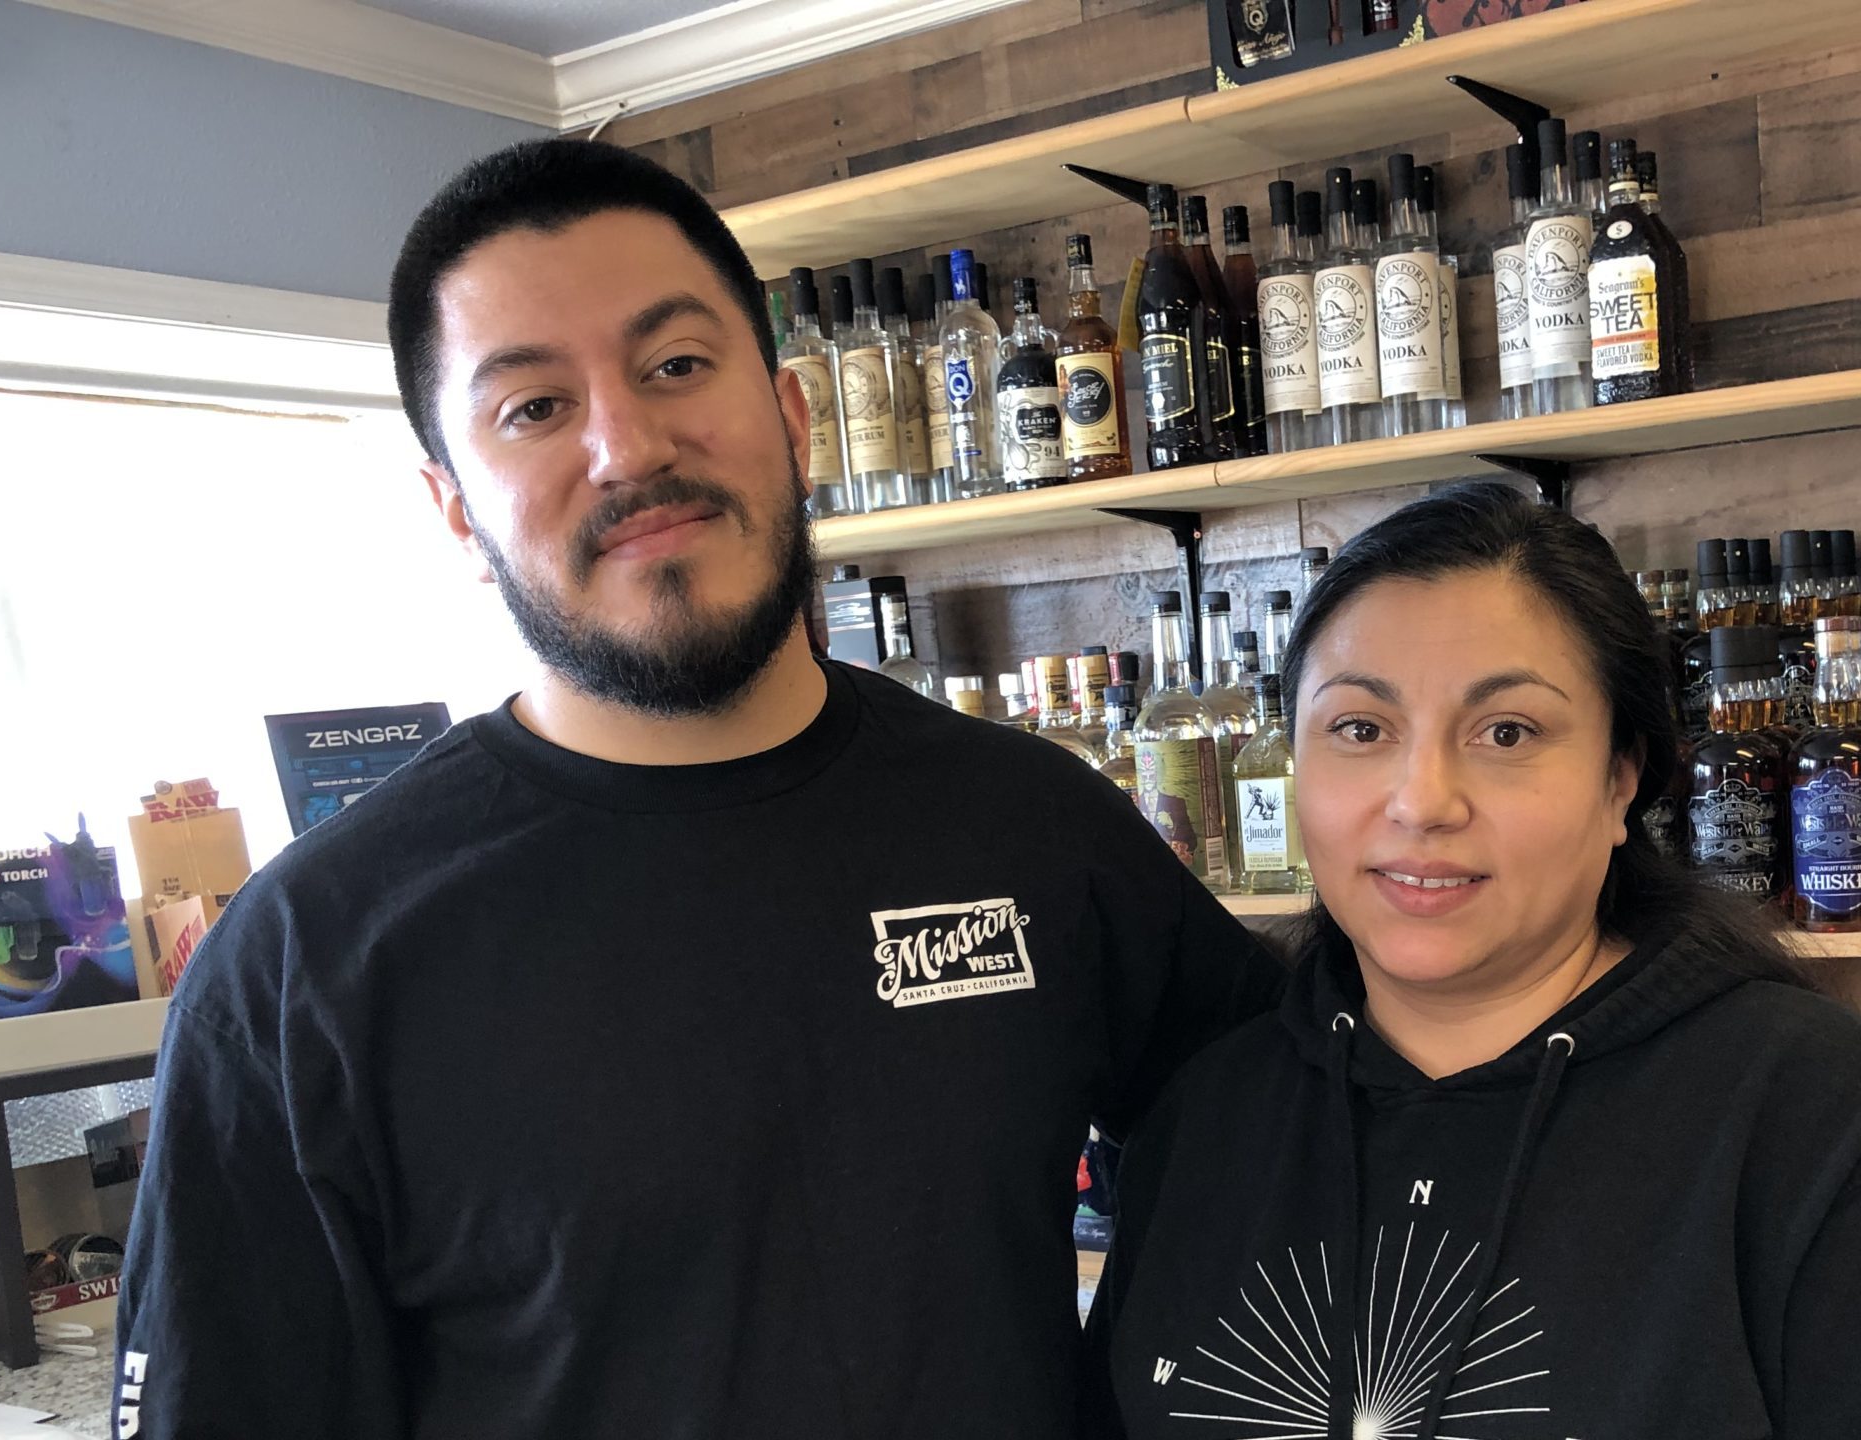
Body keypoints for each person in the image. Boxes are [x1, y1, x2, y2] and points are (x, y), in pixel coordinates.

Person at [111, 138, 1281, 1440]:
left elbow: (1306, 1125)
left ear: (791, 418)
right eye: (534, 408)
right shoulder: (303, 971)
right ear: (454, 511)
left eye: (676, 365)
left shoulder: (1031, 825)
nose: (630, 446)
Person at [1085, 483, 1861, 1439]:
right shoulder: (1203, 1121)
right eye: (1360, 728)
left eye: (1506, 731)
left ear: (1619, 782)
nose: (1421, 800)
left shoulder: (1821, 1121)